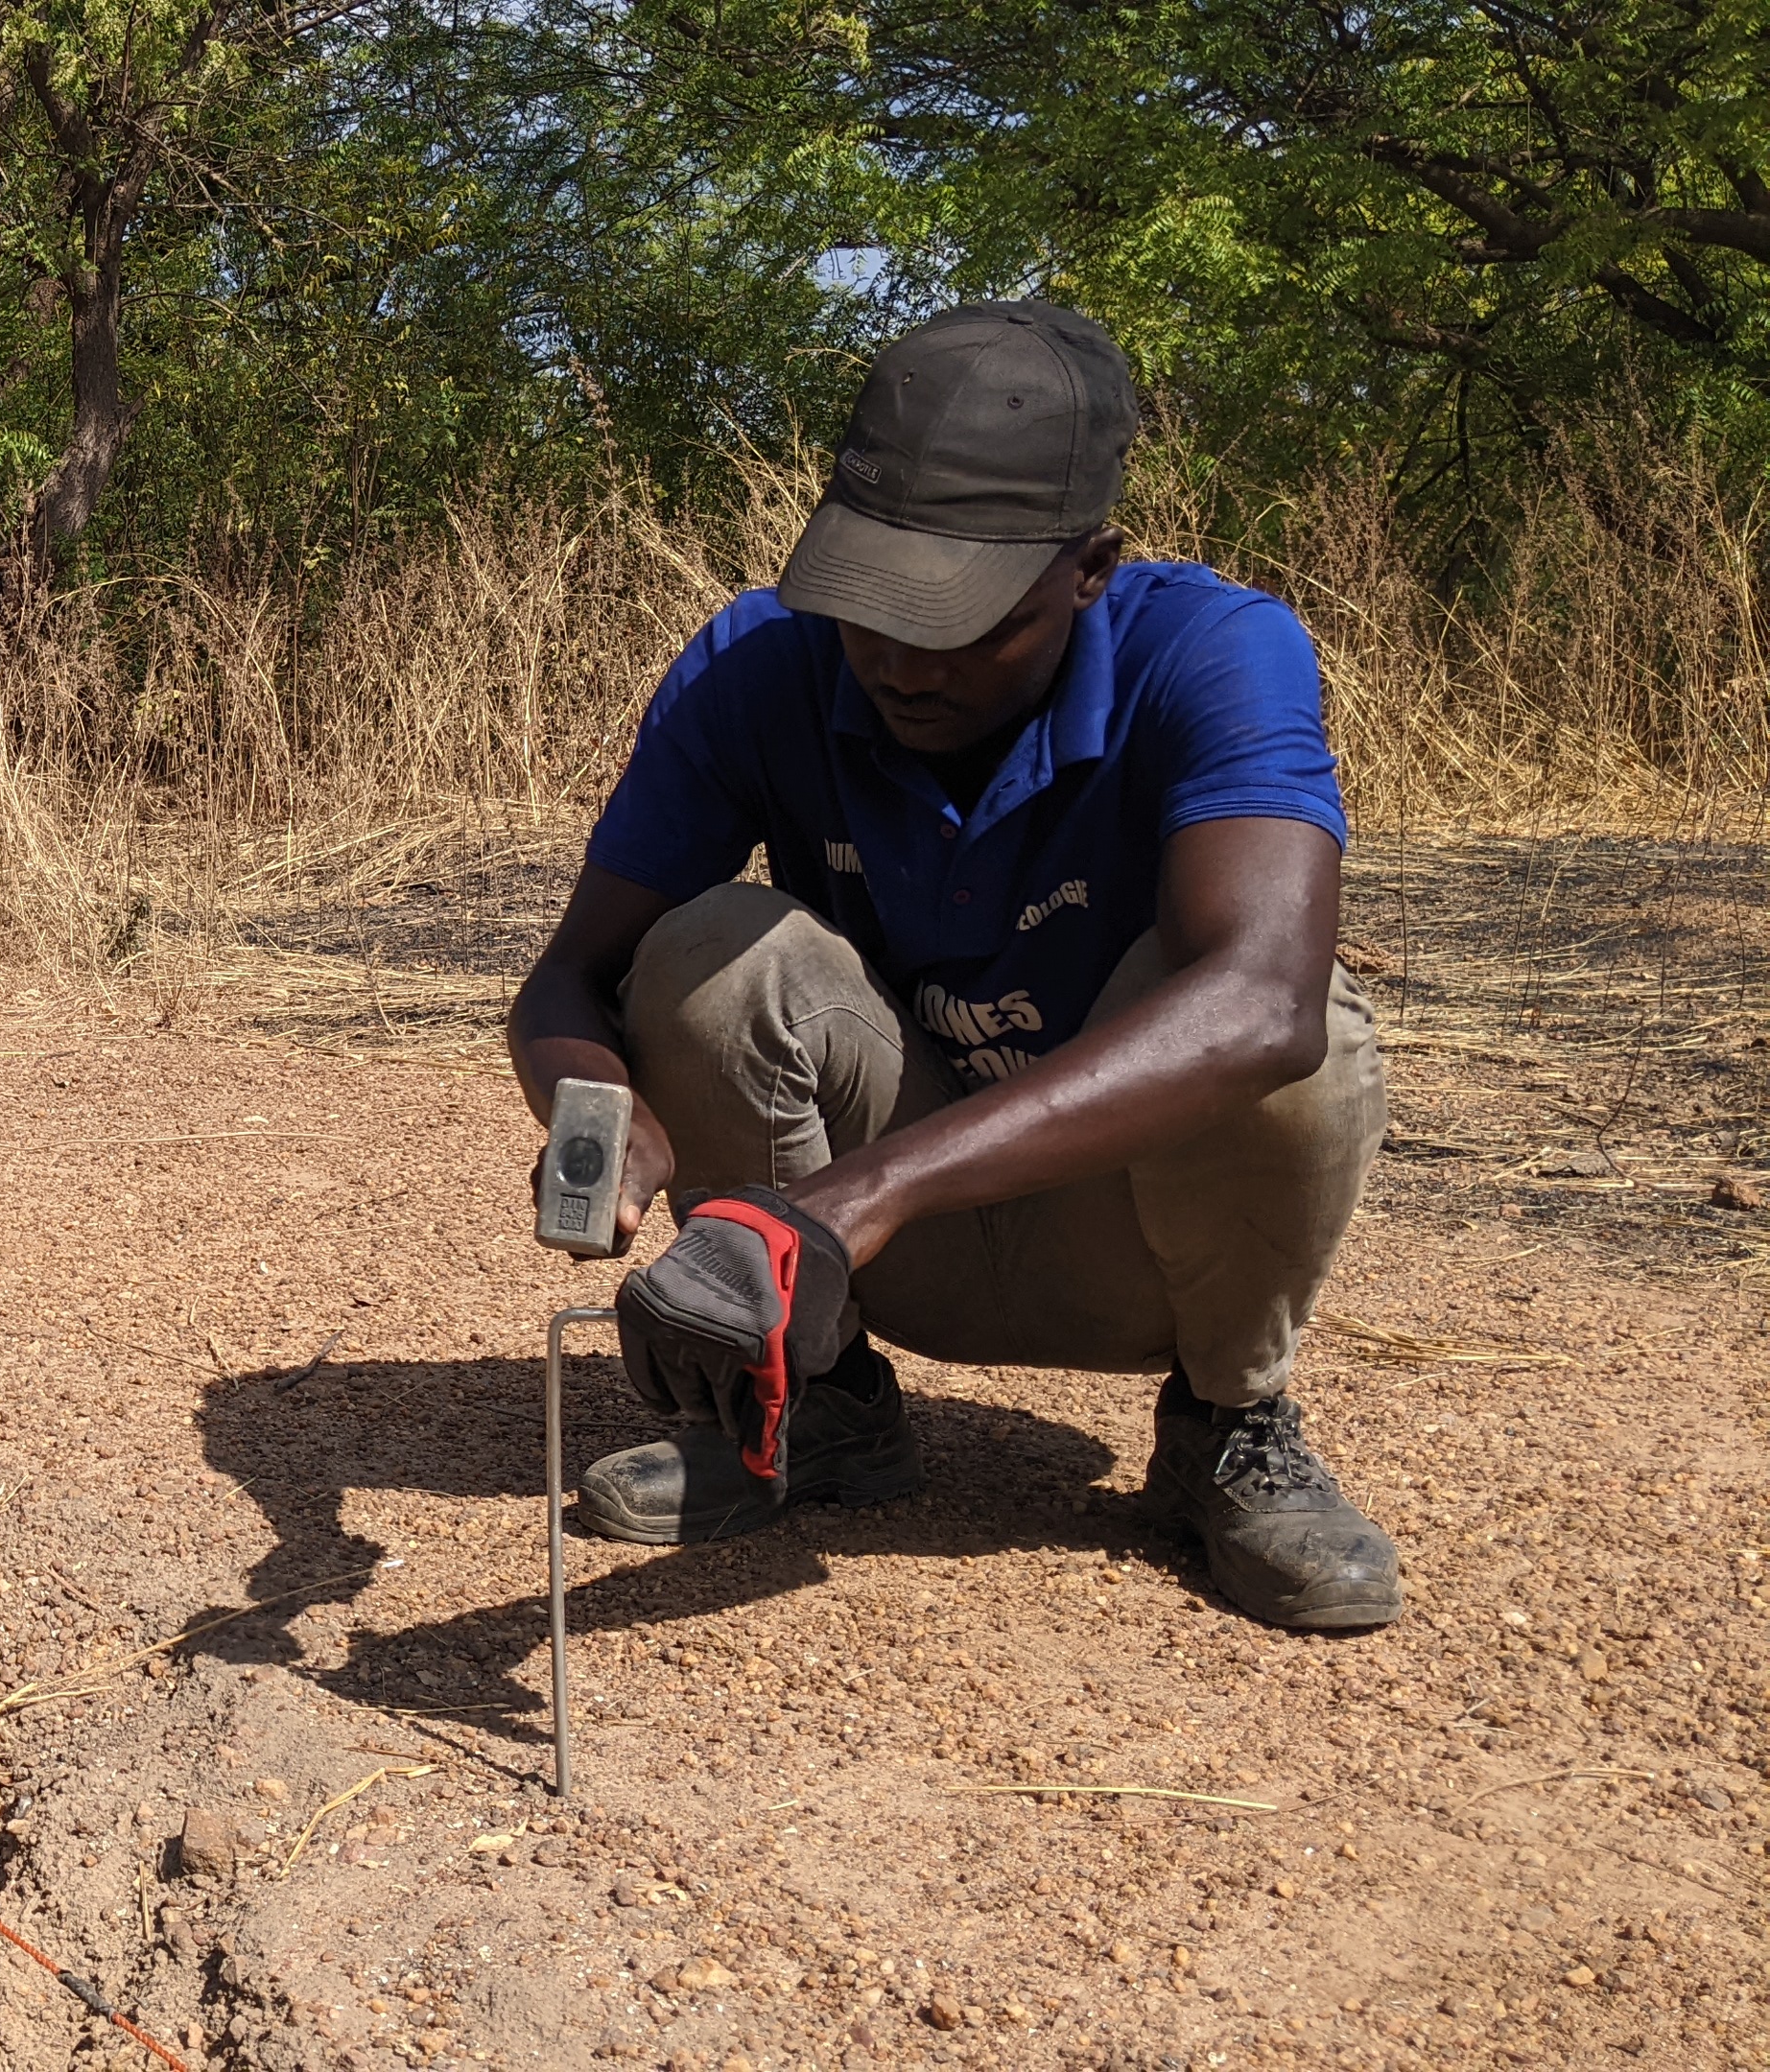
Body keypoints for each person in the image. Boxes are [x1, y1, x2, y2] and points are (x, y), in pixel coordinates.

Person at [507, 301, 1396, 1631]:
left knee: (1290, 1018)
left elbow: (1261, 1004)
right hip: (873, 1241)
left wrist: (849, 1203)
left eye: (967, 621)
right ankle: (815, 1410)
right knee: (705, 951)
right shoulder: (758, 667)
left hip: (1136, 1243)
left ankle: (1227, 1424)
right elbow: (568, 978)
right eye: (870, 606)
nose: (903, 663)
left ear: (1090, 568)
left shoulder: (1211, 651)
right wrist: (601, 1108)